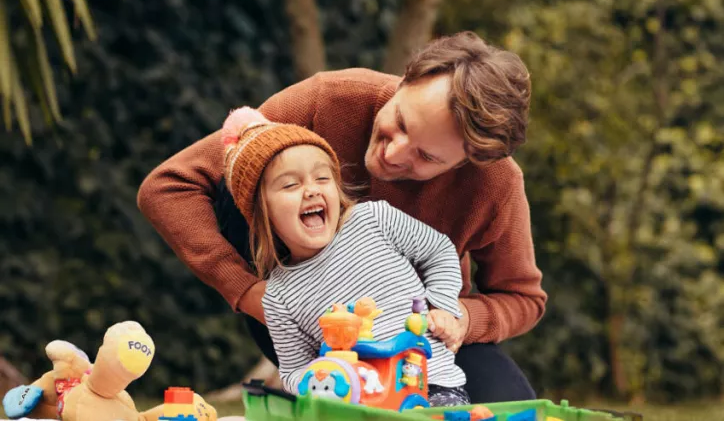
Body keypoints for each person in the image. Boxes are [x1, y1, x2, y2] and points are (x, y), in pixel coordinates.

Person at [137, 31, 547, 402]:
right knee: (246, 169)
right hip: (309, 317)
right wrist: (248, 292)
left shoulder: (496, 184)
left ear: (465, 163)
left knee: (509, 403)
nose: (392, 154)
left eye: (426, 157)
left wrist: (460, 318)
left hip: (422, 330)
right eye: (400, 123)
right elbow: (169, 186)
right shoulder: (331, 99)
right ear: (404, 80)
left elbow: (523, 297)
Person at [219, 106, 470, 407]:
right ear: (262, 213)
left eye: (322, 178)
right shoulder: (278, 297)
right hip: (358, 402)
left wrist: (443, 305)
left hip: (430, 382)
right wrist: (322, 373)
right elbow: (293, 371)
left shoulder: (373, 219)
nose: (311, 191)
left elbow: (440, 251)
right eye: (290, 184)